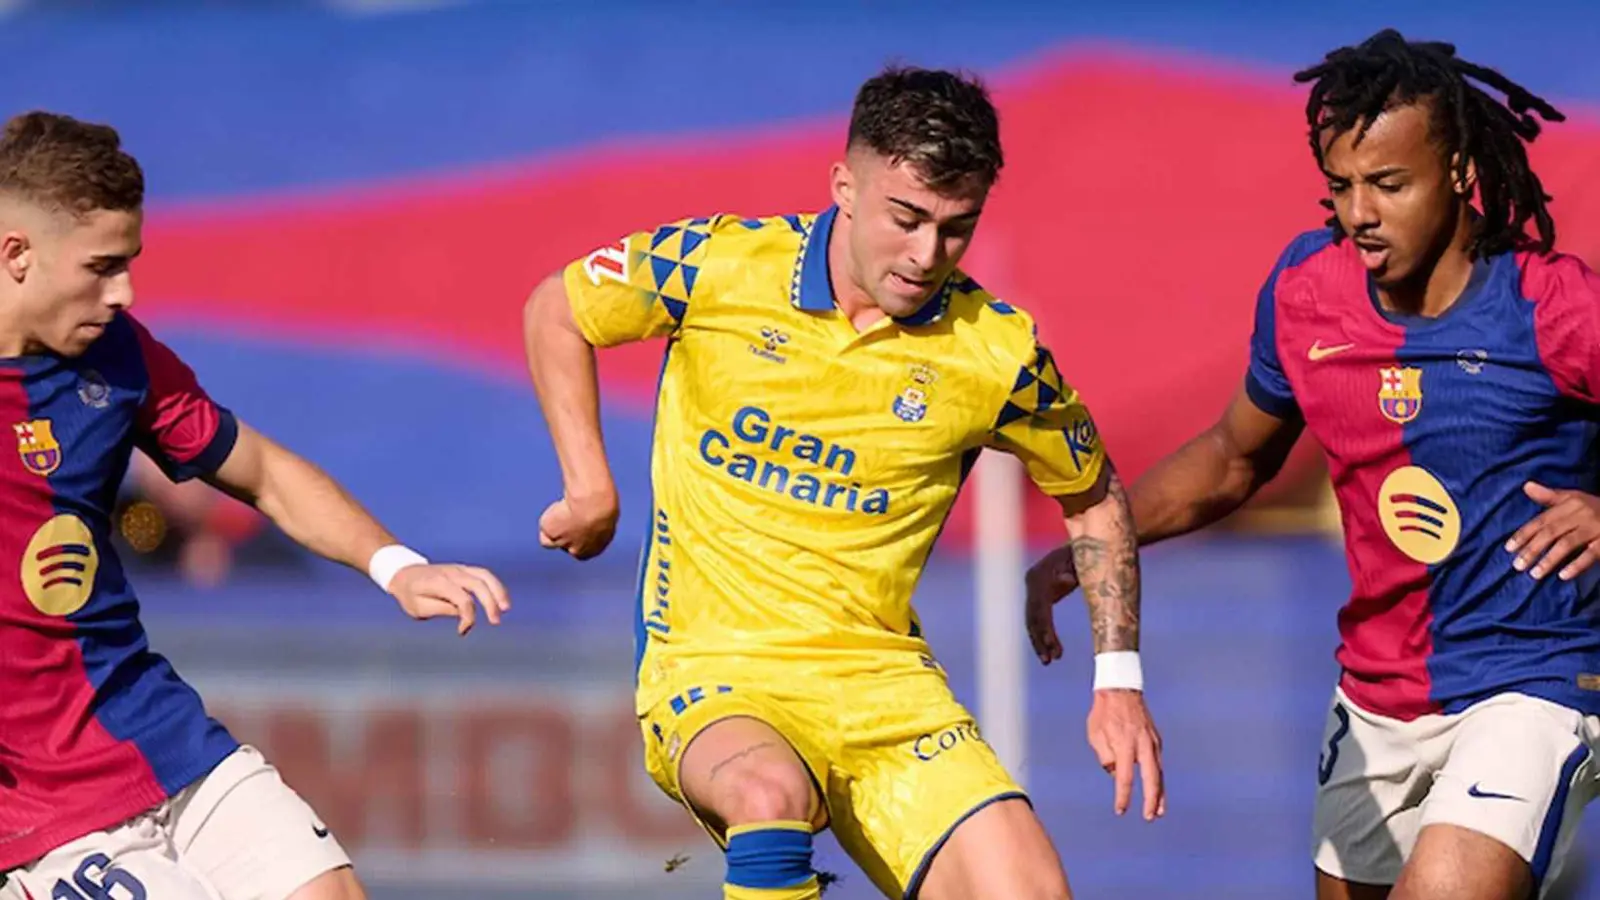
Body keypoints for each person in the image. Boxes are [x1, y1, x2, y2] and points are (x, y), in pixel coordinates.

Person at [524, 65, 1163, 900]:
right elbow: (559, 308)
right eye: (907, 219)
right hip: (715, 671)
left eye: (957, 228)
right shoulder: (718, 265)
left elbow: (1095, 494)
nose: (927, 255)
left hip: (884, 688)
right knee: (768, 796)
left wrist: (1118, 682)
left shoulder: (997, 352)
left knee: (1030, 890)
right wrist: (590, 489)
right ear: (845, 188)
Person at [1025, 29, 1599, 900]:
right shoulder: (1308, 291)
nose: (1360, 212)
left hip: (1531, 680)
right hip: (1377, 695)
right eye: (1341, 185)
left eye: (1388, 184)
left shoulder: (1553, 306)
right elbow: (1231, 458)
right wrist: (1103, 540)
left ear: (1456, 171)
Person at [0, 111, 510, 900]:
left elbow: (264, 472)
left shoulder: (118, 355)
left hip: (159, 735)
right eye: (101, 268)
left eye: (129, 263)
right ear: (16, 254)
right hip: (38, 808)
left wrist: (397, 567)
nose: (124, 292)